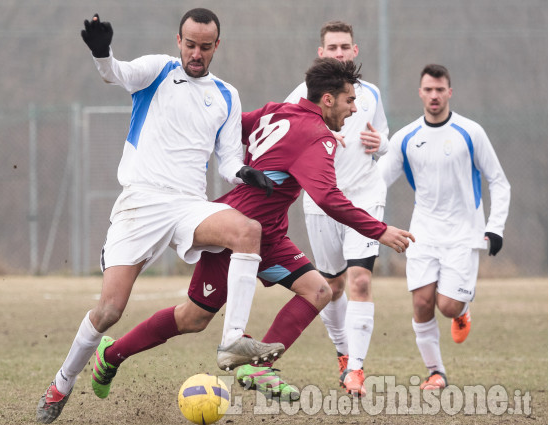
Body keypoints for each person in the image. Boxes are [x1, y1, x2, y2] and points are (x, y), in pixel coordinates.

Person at [88, 58, 414, 403]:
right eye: (350, 100)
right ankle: (111, 356)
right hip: (233, 234)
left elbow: (229, 126)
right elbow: (328, 198)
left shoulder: (278, 112)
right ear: (328, 99)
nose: (354, 110)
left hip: (268, 235)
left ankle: (260, 367)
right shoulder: (316, 136)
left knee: (319, 290)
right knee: (193, 318)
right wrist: (380, 230)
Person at [36, 9, 282, 423]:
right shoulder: (156, 71)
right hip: (141, 202)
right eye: (190, 44)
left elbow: (226, 159)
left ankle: (233, 341)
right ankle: (62, 381)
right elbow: (114, 73)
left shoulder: (226, 94)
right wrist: (101, 52)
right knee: (109, 311)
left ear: (217, 46)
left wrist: (243, 172)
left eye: (205, 46)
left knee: (248, 231)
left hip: (189, 204)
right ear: (178, 41)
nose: (196, 53)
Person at [378, 64, 510, 390]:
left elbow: (499, 181)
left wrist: (495, 228)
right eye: (428, 89)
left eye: (440, 90)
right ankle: (435, 372)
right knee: (422, 303)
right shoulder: (406, 137)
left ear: (449, 92)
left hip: (464, 235)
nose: (434, 95)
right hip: (423, 232)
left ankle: (461, 311)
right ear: (420, 92)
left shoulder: (471, 132)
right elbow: (377, 180)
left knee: (447, 306)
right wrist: (370, 223)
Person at [284, 21, 389, 396]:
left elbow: (385, 141)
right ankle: (344, 355)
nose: (340, 53)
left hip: (364, 195)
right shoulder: (300, 96)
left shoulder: (370, 94)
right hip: (321, 201)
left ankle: (356, 370)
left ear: (355, 51)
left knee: (360, 279)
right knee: (332, 285)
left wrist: (381, 142)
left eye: (345, 46)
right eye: (333, 47)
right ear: (321, 52)